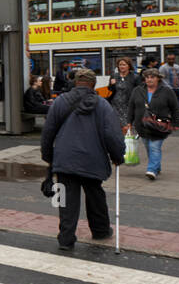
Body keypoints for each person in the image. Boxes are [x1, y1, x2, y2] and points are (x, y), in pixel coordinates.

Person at [40, 68, 124, 251]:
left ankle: (65, 238)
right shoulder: (102, 105)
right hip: (93, 159)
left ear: (75, 82)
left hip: (65, 160)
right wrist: (118, 156)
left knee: (65, 200)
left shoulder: (60, 102)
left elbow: (48, 132)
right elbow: (112, 135)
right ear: (93, 84)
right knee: (95, 196)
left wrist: (48, 157)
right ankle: (100, 230)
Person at [128, 66, 179, 180]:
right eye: (147, 77)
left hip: (159, 126)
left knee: (154, 147)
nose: (149, 79)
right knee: (148, 147)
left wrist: (176, 123)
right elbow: (131, 107)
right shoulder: (137, 90)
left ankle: (151, 170)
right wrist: (129, 122)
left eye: (152, 77)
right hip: (142, 126)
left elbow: (175, 108)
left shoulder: (167, 91)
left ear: (158, 79)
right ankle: (156, 166)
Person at [106, 56, 139, 129]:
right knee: (117, 126)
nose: (122, 66)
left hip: (128, 105)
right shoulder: (114, 75)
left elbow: (138, 90)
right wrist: (112, 84)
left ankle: (127, 139)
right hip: (116, 105)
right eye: (120, 65)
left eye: (124, 64)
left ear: (129, 66)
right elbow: (110, 89)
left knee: (127, 126)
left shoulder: (135, 77)